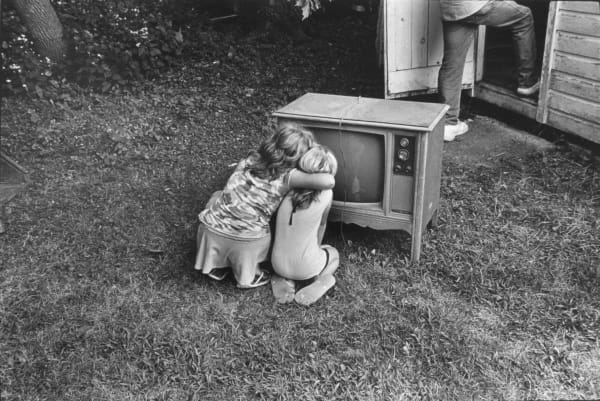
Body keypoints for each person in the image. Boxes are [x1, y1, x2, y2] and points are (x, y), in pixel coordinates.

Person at [194, 123, 335, 289]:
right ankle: (250, 274)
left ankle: (217, 265)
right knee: (253, 233)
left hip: (210, 229)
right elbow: (328, 181)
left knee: (219, 197)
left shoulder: (249, 161)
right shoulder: (288, 176)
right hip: (246, 240)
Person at [438, 0, 539, 142]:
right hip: (475, 5)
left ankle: (448, 124)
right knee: (524, 16)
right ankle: (527, 81)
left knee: (452, 63)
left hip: (451, 7)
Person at [270, 144, 340, 306]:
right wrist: (317, 248)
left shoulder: (289, 187)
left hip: (276, 263)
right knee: (333, 253)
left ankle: (283, 277)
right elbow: (322, 225)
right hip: (306, 268)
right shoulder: (327, 194)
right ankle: (319, 279)